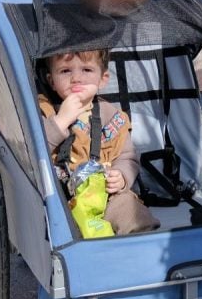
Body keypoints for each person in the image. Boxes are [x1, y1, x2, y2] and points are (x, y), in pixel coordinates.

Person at [37, 48, 158, 235]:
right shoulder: (43, 112)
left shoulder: (113, 118)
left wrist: (122, 176)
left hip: (106, 195)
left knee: (130, 209)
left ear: (103, 78)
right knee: (55, 221)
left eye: (86, 70)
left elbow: (128, 157)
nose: (76, 78)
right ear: (51, 80)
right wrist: (60, 121)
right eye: (65, 71)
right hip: (63, 198)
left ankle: (140, 243)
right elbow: (32, 152)